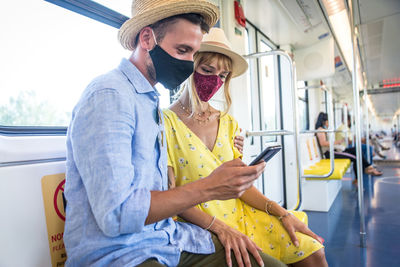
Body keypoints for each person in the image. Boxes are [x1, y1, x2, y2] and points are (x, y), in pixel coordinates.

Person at [63, 1, 285, 266]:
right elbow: (116, 214)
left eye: (193, 54)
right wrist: (209, 186)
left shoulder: (148, 102)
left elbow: (162, 190)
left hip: (167, 237)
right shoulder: (110, 96)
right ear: (147, 38)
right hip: (122, 253)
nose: (188, 64)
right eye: (182, 50)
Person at [164, 28, 327, 267]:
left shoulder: (228, 123)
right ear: (190, 67)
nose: (215, 81)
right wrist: (220, 228)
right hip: (200, 222)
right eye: (207, 71)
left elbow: (241, 189)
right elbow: (170, 194)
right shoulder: (165, 123)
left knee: (313, 252)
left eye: (223, 75)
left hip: (240, 211)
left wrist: (281, 212)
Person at [315, 112, 382, 184]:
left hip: (335, 149)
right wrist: (337, 142)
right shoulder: (320, 130)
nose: (329, 124)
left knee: (357, 150)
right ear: (324, 121)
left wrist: (337, 142)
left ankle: (368, 167)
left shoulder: (324, 130)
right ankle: (360, 176)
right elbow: (323, 143)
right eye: (328, 121)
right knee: (355, 157)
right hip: (329, 153)